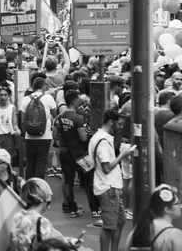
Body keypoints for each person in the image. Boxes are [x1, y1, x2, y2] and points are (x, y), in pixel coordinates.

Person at [88, 110, 136, 251]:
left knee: (119, 222)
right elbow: (107, 168)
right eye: (119, 124)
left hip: (111, 187)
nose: (121, 127)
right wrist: (123, 155)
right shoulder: (102, 142)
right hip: (108, 188)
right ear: (111, 122)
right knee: (109, 226)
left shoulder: (100, 137)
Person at [9, 178, 75, 251]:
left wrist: (67, 241)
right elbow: (51, 246)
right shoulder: (41, 222)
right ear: (44, 199)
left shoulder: (18, 216)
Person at [52, 90, 87, 218]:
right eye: (78, 100)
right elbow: (83, 138)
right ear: (73, 101)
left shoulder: (59, 117)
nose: (79, 102)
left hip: (63, 150)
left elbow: (54, 135)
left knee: (67, 179)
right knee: (88, 175)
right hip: (76, 152)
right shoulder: (77, 118)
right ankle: (80, 207)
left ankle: (68, 204)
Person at [19, 77, 56, 179]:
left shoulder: (26, 99)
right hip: (45, 135)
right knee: (41, 162)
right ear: (43, 86)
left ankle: (29, 186)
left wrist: (24, 133)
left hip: (29, 136)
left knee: (30, 163)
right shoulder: (49, 98)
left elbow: (22, 119)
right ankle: (38, 187)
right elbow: (55, 114)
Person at [126, 184, 182, 250]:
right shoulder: (175, 235)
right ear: (167, 209)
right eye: (178, 203)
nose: (180, 206)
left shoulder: (138, 230)